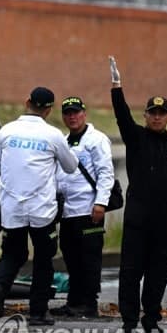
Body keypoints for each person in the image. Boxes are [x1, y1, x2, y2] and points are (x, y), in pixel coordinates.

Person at [109, 57, 167, 333]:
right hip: (138, 214)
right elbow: (121, 115)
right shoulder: (136, 137)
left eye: (162, 113)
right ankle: (128, 320)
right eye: (152, 112)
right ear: (146, 116)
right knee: (131, 269)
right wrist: (116, 87)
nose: (157, 117)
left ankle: (151, 318)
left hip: (165, 216)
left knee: (159, 270)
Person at [0, 87, 79, 326]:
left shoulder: (7, 132)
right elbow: (70, 167)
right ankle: (38, 312)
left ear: (27, 102)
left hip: (12, 209)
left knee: (13, 254)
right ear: (49, 110)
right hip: (42, 211)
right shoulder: (53, 135)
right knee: (43, 259)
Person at [51, 96, 115, 319]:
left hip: (89, 210)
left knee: (89, 259)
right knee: (71, 257)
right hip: (68, 211)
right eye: (68, 113)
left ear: (84, 114)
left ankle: (89, 304)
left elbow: (106, 173)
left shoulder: (96, 140)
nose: (72, 117)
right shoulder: (63, 141)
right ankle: (73, 302)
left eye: (76, 112)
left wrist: (100, 203)